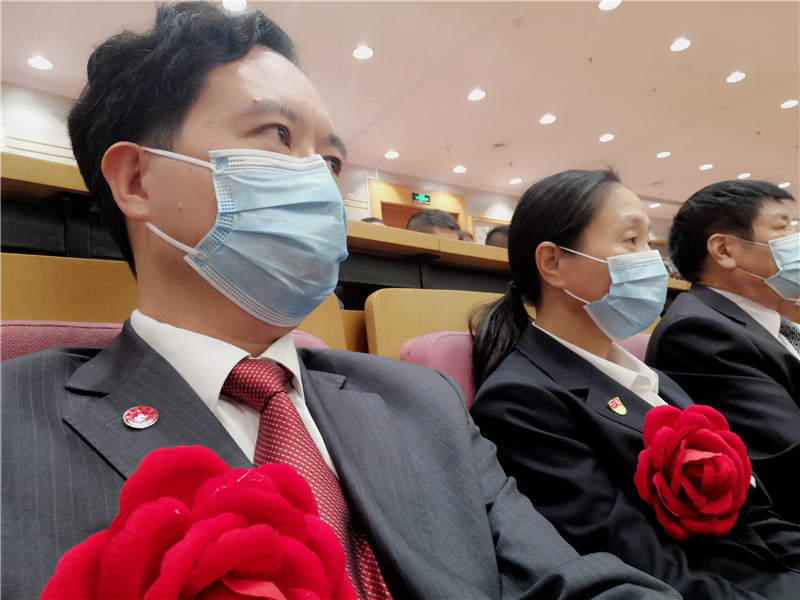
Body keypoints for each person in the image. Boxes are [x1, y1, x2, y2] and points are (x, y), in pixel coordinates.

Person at [0, 4, 680, 599]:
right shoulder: (13, 422)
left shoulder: (423, 402)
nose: (321, 186)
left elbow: (569, 581)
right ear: (137, 180)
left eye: (330, 162)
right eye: (278, 135)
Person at [470, 169, 800, 599]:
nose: (653, 261)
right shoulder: (520, 401)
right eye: (631, 240)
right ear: (553, 263)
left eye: (649, 242)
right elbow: (644, 567)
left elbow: (752, 510)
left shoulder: (649, 377)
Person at [646, 180, 800, 523]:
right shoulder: (697, 331)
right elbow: (789, 458)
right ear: (724, 250)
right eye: (782, 227)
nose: (794, 237)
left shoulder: (771, 318)